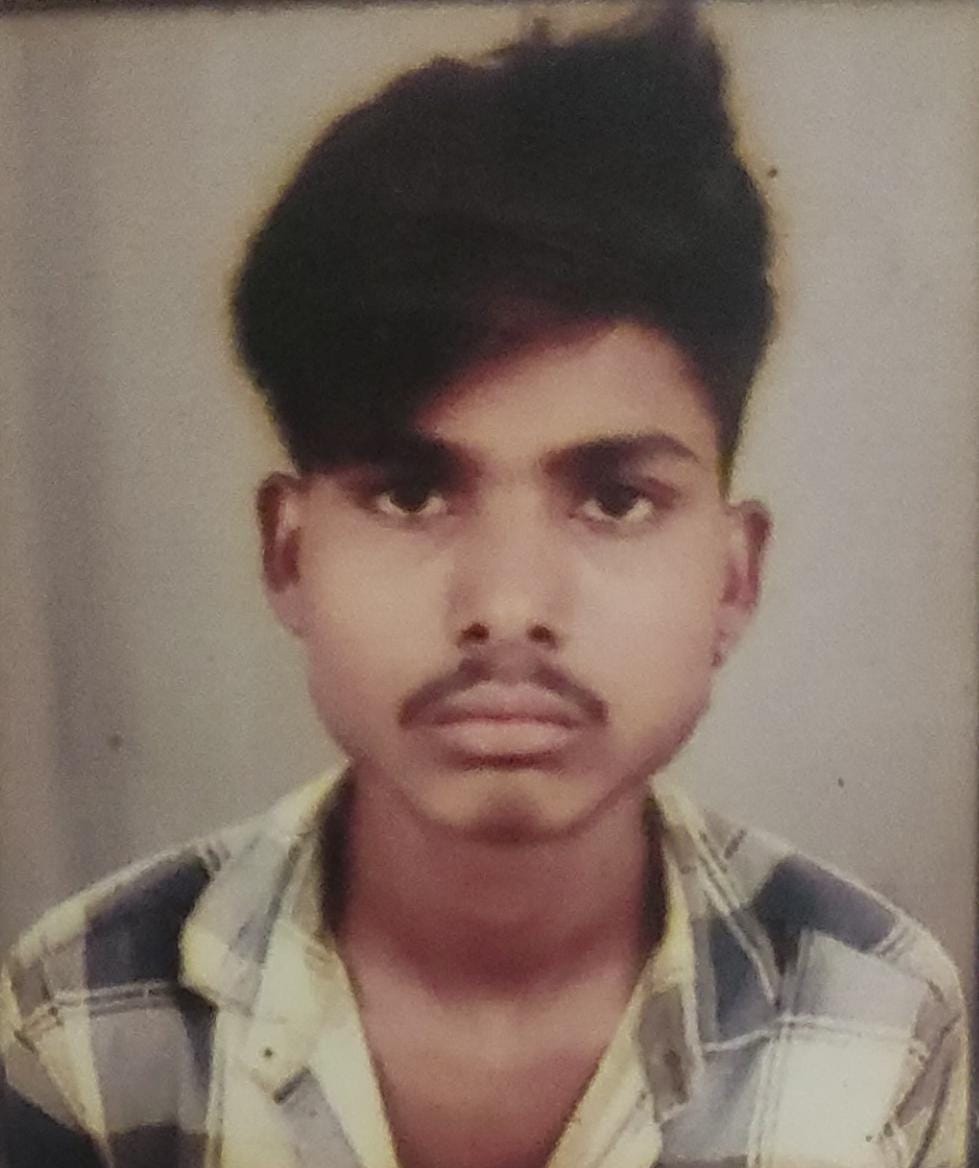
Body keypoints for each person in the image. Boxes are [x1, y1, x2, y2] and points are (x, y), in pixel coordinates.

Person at [0, 6, 967, 1167]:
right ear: (287, 554)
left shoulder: (877, 1020)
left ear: (733, 575)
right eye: (411, 492)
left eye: (616, 498)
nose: (507, 605)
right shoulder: (87, 1016)